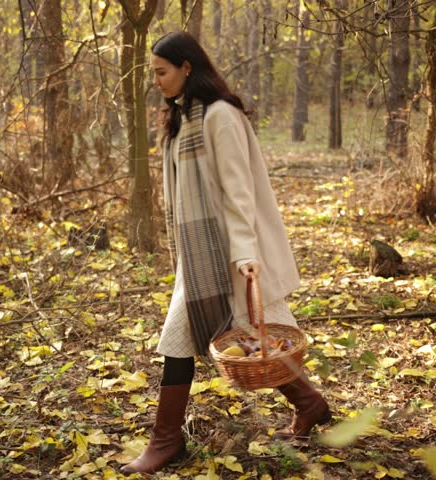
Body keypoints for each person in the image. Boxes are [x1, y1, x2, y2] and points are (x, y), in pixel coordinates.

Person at [119, 31, 331, 475]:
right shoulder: (182, 119)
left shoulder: (220, 116)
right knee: (257, 343)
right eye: (152, 73)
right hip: (200, 256)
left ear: (187, 68)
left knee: (182, 342)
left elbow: (240, 193)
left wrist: (245, 253)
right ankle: (310, 404)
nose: (155, 81)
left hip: (231, 255)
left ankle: (166, 441)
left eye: (162, 72)